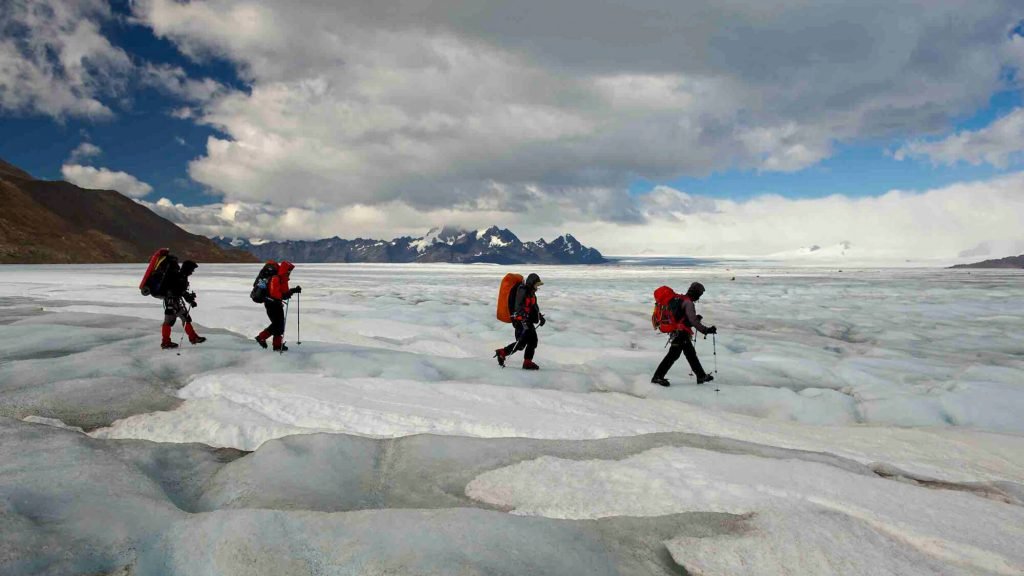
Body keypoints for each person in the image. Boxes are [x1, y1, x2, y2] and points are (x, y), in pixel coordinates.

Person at [651, 282, 716, 386]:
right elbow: (693, 321)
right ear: (696, 293)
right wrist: (706, 330)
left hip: (677, 332)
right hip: (681, 334)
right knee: (673, 356)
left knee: (690, 354)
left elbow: (682, 319)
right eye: (699, 295)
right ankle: (657, 377)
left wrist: (693, 320)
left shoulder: (679, 299)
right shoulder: (688, 303)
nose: (699, 297)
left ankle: (701, 376)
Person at [494, 273, 546, 370]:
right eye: (536, 285)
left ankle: (524, 361)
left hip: (527, 320)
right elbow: (518, 306)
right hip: (521, 321)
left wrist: (539, 316)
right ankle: (504, 353)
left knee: (529, 342)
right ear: (531, 283)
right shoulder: (522, 291)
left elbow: (534, 306)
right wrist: (522, 316)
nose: (537, 287)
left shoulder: (531, 293)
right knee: (525, 343)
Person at [255, 261, 301, 352]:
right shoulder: (277, 278)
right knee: (277, 324)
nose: (289, 273)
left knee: (279, 325)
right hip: (273, 304)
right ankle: (261, 337)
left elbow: (281, 293)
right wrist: (290, 292)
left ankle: (277, 345)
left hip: (272, 304)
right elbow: (277, 294)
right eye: (288, 271)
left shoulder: (278, 277)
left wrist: (293, 291)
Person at [161, 259, 205, 349]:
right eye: (192, 270)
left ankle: (192, 338)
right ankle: (166, 342)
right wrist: (189, 298)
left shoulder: (181, 276)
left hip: (174, 302)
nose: (192, 272)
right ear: (187, 269)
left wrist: (190, 300)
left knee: (184, 319)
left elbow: (182, 291)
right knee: (171, 321)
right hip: (172, 303)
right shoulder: (177, 276)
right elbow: (178, 291)